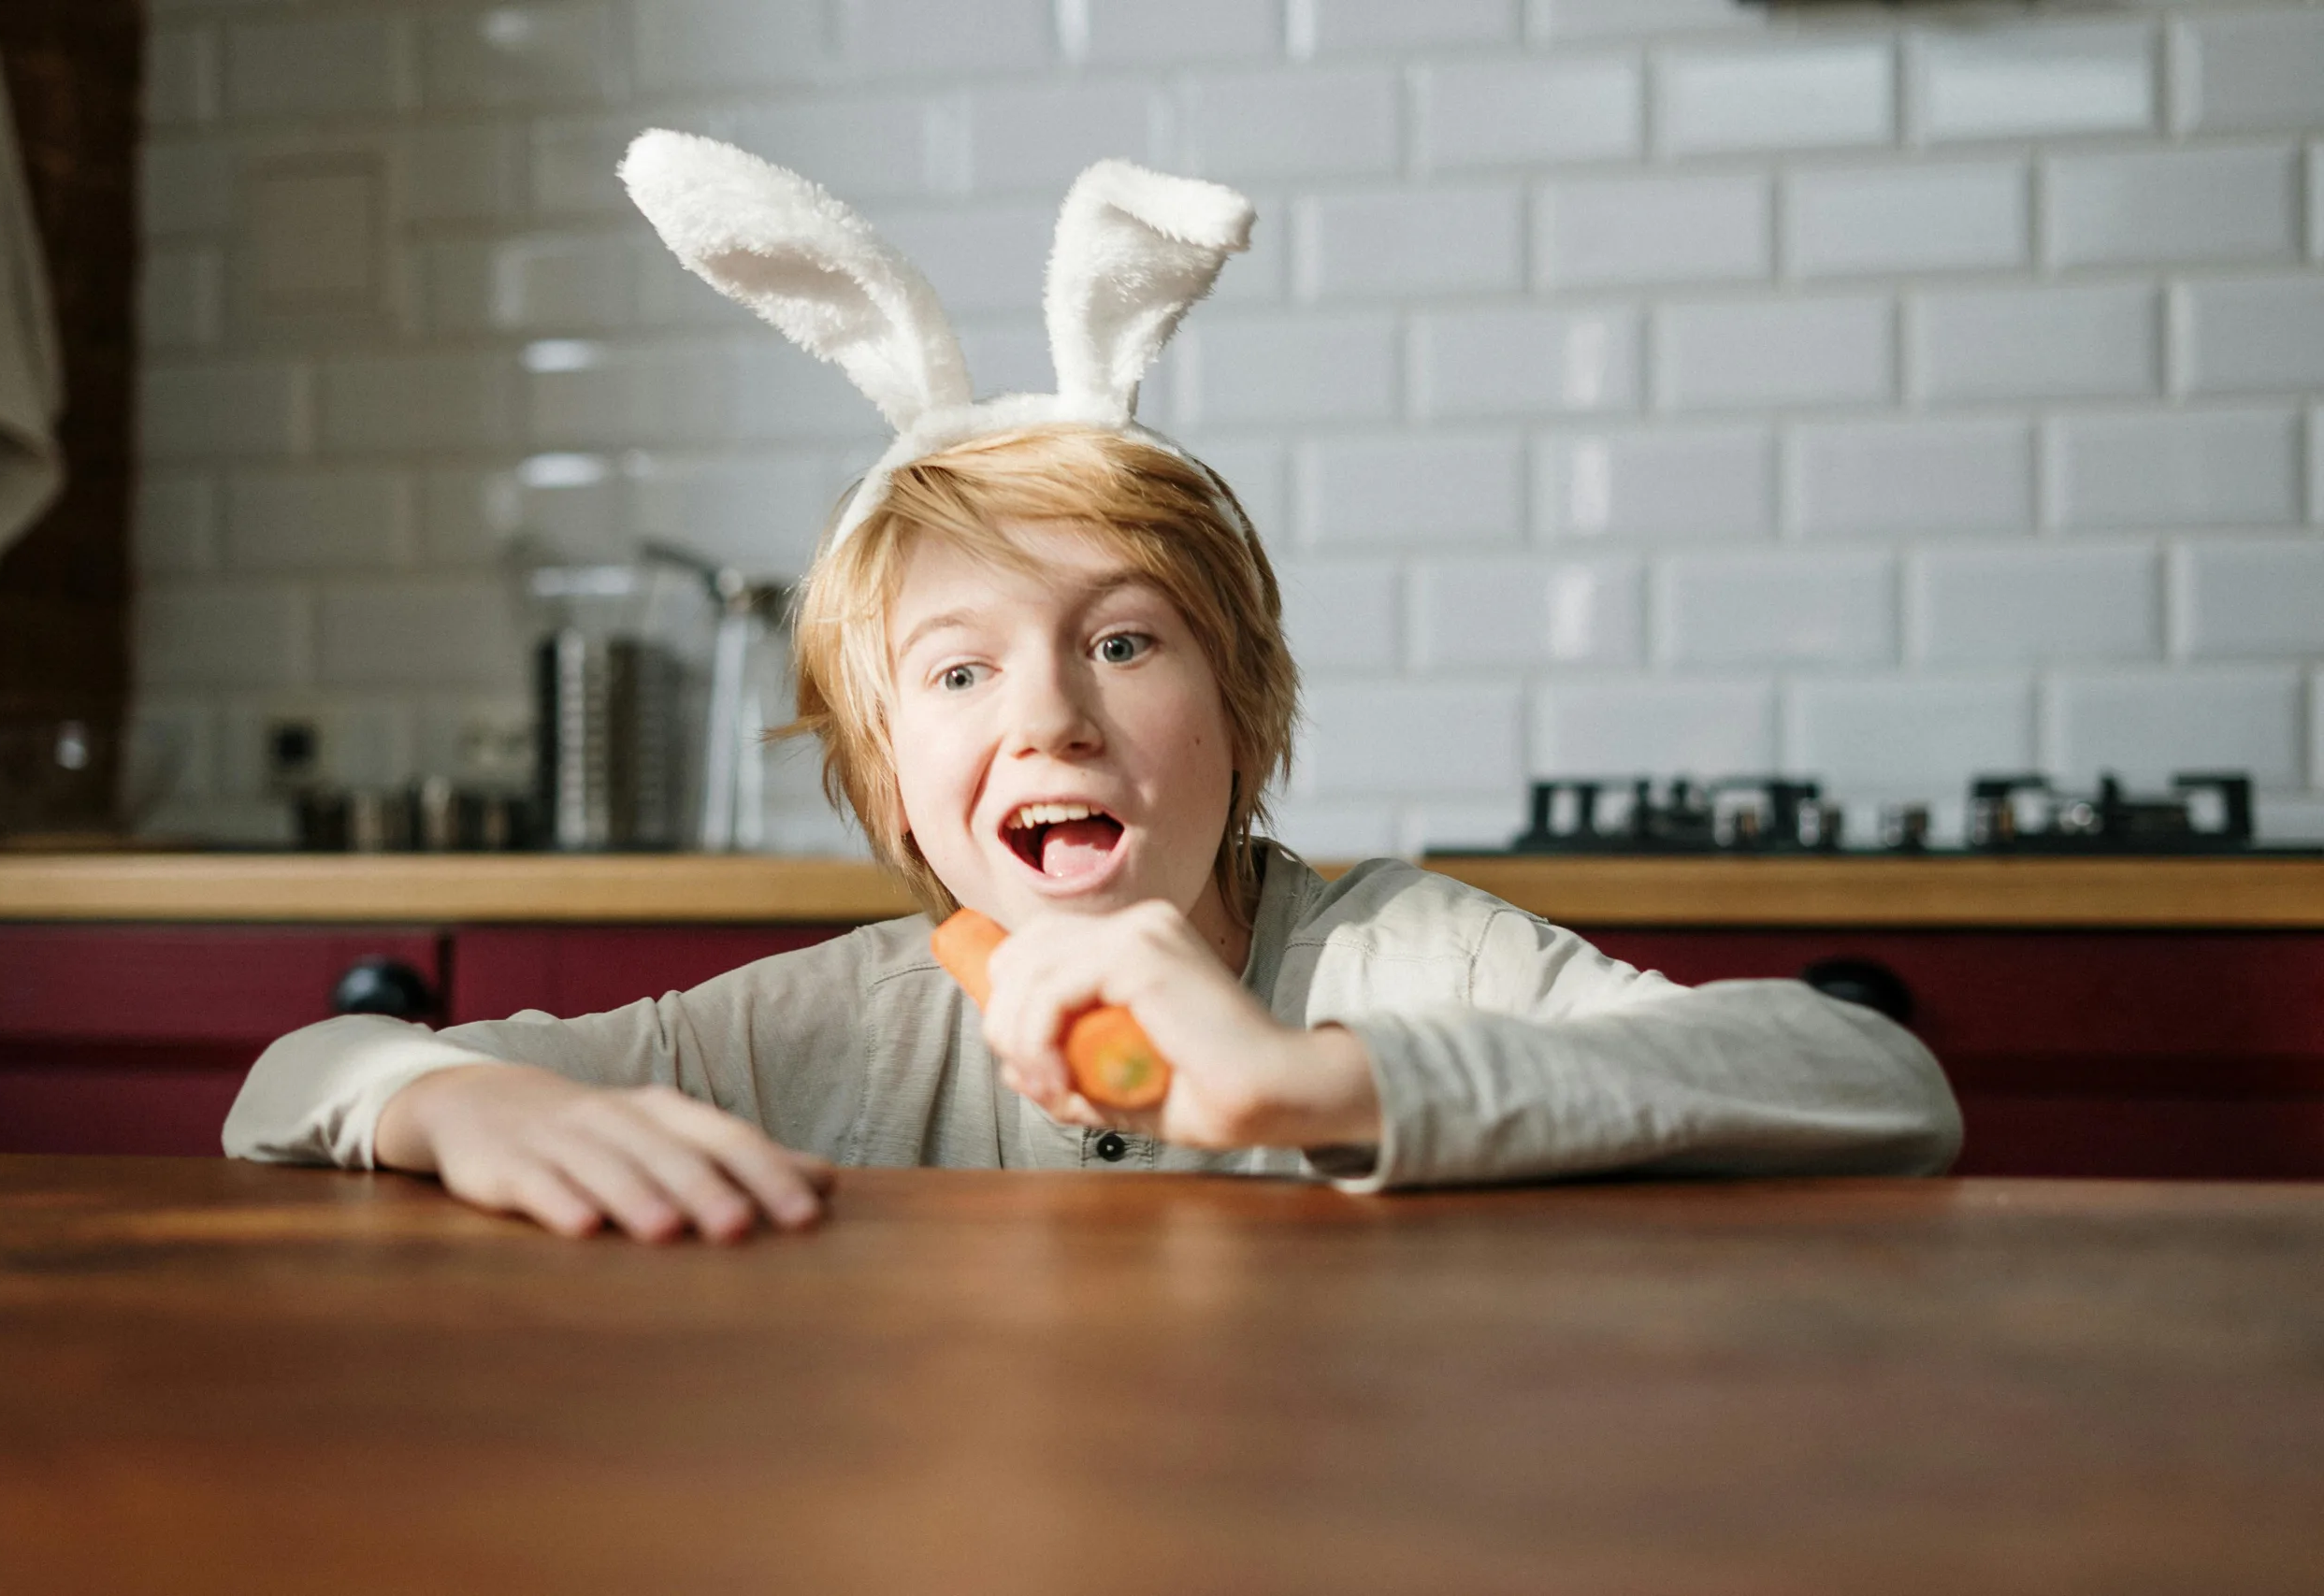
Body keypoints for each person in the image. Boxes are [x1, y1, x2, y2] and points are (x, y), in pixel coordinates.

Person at [224, 138, 1961, 1242]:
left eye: (1124, 642)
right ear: (893, 780)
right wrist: (458, 1097)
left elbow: (1876, 1083)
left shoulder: (1400, 957)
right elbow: (291, 1082)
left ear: (1249, 712)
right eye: (960, 670)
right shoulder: (812, 1030)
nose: (1048, 715)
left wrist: (1311, 1084)